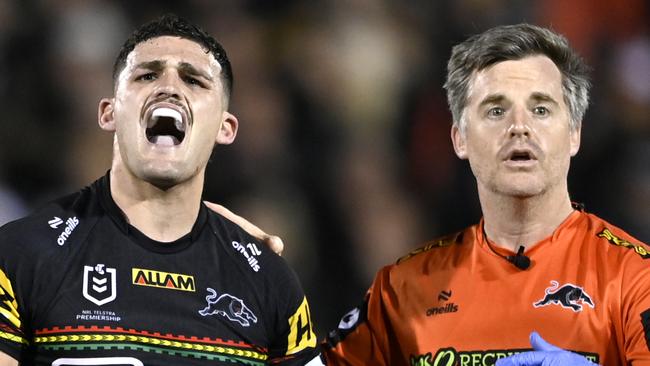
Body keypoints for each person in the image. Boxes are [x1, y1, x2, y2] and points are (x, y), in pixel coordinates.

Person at [0, 14, 321, 365]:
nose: (169, 87)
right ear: (108, 113)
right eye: (148, 75)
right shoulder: (23, 255)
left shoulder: (268, 282)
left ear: (225, 128)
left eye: (194, 80)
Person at [321, 24, 650, 365]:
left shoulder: (637, 280)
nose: (519, 126)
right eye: (496, 110)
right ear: (459, 138)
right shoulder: (402, 289)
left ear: (574, 135)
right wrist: (269, 286)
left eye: (541, 109)